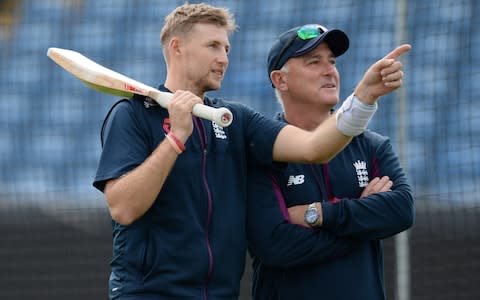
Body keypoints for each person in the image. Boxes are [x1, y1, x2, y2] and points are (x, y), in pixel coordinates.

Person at [92, 2, 410, 299]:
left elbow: (314, 147)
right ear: (177, 47)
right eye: (213, 46)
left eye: (227, 48)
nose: (224, 58)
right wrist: (176, 138)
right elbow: (124, 208)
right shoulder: (133, 114)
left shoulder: (236, 120)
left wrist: (364, 97)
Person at [246, 23, 415, 300]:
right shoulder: (261, 152)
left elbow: (402, 210)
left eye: (332, 61)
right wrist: (363, 218)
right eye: (314, 62)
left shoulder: (371, 145)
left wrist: (318, 214)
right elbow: (276, 245)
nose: (330, 71)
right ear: (280, 80)